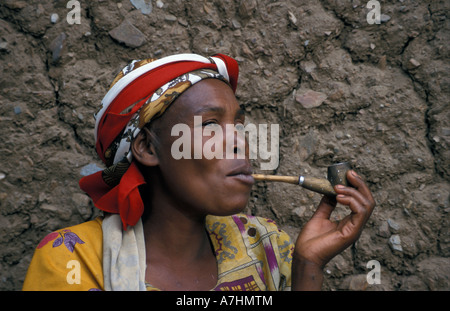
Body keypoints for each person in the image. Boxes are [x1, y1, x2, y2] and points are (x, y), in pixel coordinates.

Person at [22, 53, 375, 291]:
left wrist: (307, 265)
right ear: (146, 148)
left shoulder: (265, 247)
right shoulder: (72, 259)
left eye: (238, 124)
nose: (239, 142)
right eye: (209, 125)